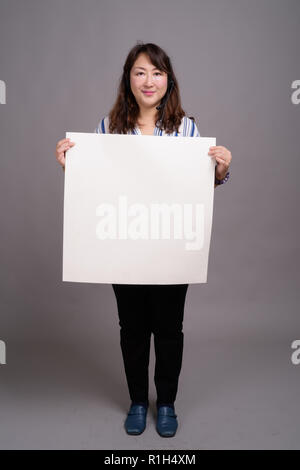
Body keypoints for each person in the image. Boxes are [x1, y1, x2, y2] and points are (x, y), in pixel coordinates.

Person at [55, 42, 232, 438]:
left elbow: (199, 188)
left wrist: (220, 171)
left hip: (170, 245)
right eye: (139, 72)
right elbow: (96, 187)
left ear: (168, 80)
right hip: (126, 244)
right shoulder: (108, 128)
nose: (148, 80)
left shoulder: (187, 129)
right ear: (128, 79)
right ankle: (138, 401)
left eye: (156, 72)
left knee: (170, 327)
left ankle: (165, 403)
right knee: (132, 327)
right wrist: (73, 167)